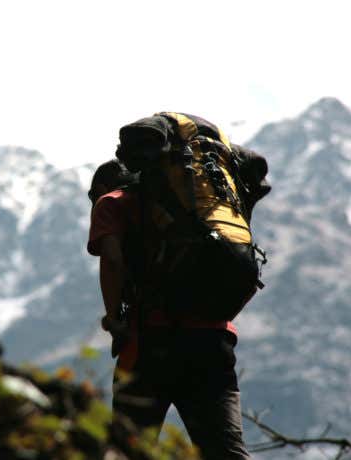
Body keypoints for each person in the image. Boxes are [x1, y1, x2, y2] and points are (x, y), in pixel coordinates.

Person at [87, 159, 251, 459]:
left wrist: (114, 320)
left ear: (100, 188)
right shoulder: (201, 208)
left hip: (150, 341)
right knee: (226, 452)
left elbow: (112, 260)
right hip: (213, 344)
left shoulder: (111, 202)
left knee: (127, 448)